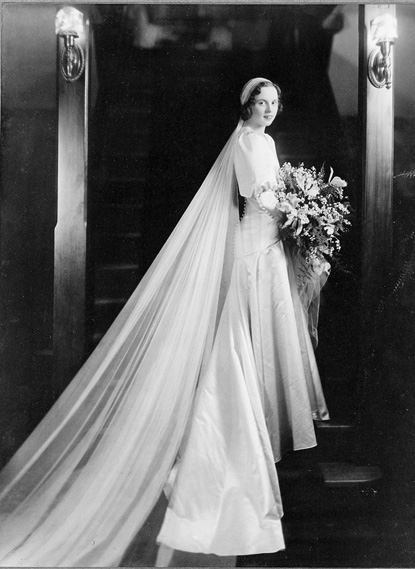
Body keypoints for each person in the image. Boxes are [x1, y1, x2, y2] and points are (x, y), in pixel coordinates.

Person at [0, 78, 328, 567]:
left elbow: (274, 192)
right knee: (244, 337)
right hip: (253, 248)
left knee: (275, 333)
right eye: (260, 103)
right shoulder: (242, 143)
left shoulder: (269, 141)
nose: (267, 110)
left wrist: (302, 212)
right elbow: (254, 195)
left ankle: (269, 421)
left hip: (272, 248)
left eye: (273, 103)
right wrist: (297, 207)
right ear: (247, 106)